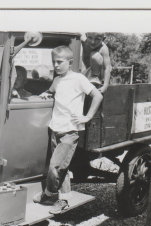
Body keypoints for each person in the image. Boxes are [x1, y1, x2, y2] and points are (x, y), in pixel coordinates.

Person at [33, 45, 103, 214]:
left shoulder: (78, 79)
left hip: (70, 131)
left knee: (55, 167)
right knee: (61, 168)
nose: (56, 65)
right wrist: (46, 94)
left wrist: (87, 117)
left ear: (70, 62)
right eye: (53, 62)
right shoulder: (57, 80)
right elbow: (51, 91)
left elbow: (97, 95)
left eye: (59, 62)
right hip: (55, 129)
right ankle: (63, 198)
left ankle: (50, 195)